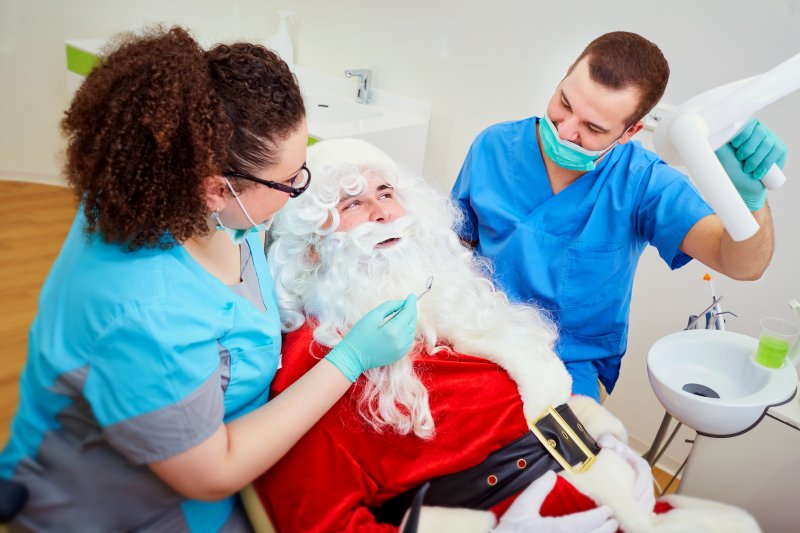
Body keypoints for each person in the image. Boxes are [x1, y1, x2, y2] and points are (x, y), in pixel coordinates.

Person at [0, 28, 418, 531]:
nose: (299, 192)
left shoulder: (165, 192)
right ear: (216, 189)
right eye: (291, 182)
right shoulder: (147, 310)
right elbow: (211, 472)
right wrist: (351, 359)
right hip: (124, 508)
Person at [252, 138, 758, 532]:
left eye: (386, 192)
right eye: (352, 204)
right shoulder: (318, 365)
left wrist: (744, 203)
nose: (383, 212)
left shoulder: (449, 299)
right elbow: (314, 520)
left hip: (594, 474)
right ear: (312, 250)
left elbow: (745, 260)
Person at [451, 31, 789, 401]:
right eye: (565, 103)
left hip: (567, 364)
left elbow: (742, 265)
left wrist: (750, 201)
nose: (565, 131)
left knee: (552, 455)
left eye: (593, 128)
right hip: (475, 338)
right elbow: (456, 244)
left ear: (631, 131)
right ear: (565, 76)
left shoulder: (644, 183)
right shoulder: (494, 146)